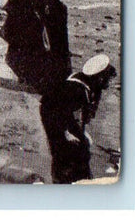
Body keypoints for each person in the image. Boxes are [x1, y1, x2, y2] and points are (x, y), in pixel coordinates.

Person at [39, 55, 118, 184]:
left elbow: (82, 114)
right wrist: (68, 133)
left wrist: (81, 132)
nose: (109, 84)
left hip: (62, 113)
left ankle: (79, 179)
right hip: (53, 114)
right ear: (100, 78)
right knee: (65, 149)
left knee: (80, 147)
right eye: (107, 80)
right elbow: (63, 113)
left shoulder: (91, 84)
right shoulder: (77, 90)